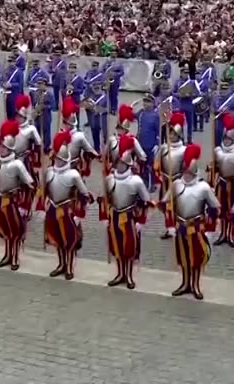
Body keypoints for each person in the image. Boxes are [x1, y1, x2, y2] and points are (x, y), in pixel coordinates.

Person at [100, 133, 151, 289]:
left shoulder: (136, 181)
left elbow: (146, 201)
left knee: (129, 248)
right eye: (118, 163)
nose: (120, 165)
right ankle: (120, 273)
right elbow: (104, 199)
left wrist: (141, 221)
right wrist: (104, 217)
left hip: (129, 217)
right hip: (114, 214)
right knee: (117, 247)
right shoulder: (109, 179)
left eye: (123, 163)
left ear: (128, 165)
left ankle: (128, 276)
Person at [169, 143, 219, 300]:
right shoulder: (176, 184)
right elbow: (166, 204)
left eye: (190, 173)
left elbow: (214, 207)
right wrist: (170, 224)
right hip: (180, 226)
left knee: (196, 259)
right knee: (183, 258)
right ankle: (185, 283)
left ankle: (195, 285)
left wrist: (210, 228)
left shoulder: (203, 188)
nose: (187, 176)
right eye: (185, 172)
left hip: (196, 228)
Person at [42, 129, 90, 281]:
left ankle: (69, 266)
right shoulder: (49, 171)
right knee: (57, 239)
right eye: (55, 158)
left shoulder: (73, 174)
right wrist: (45, 202)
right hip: (53, 209)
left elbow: (85, 195)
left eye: (59, 159)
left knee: (69, 241)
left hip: (67, 210)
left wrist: (79, 215)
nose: (56, 161)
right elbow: (46, 190)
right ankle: (61, 264)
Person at [0, 120, 34, 271]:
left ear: (10, 149)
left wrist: (24, 205)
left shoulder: (17, 164)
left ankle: (14, 257)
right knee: (5, 230)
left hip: (13, 202)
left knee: (15, 231)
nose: (1, 149)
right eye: (0, 146)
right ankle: (7, 255)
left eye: (4, 147)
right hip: (0, 199)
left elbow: (30, 184)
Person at [210, 111, 234, 248]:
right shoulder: (218, 150)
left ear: (233, 140)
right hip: (222, 184)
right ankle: (222, 234)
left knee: (231, 211)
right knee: (222, 210)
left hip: (233, 184)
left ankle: (230, 235)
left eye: (228, 139)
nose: (226, 141)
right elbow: (215, 165)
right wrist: (211, 169)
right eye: (224, 138)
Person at [154, 111, 188, 238]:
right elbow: (157, 163)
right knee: (166, 205)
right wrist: (158, 174)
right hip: (165, 180)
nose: (171, 135)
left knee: (178, 206)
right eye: (170, 133)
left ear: (178, 135)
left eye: (174, 133)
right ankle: (170, 228)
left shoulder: (184, 150)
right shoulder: (163, 148)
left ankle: (179, 227)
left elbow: (187, 167)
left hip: (178, 181)